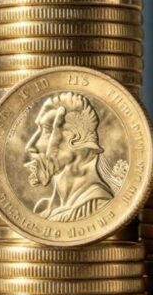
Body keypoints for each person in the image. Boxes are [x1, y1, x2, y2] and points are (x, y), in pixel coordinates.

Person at [23, 92, 115, 222]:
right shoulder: (44, 213)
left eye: (46, 131)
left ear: (75, 138)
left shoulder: (102, 209)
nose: (30, 145)